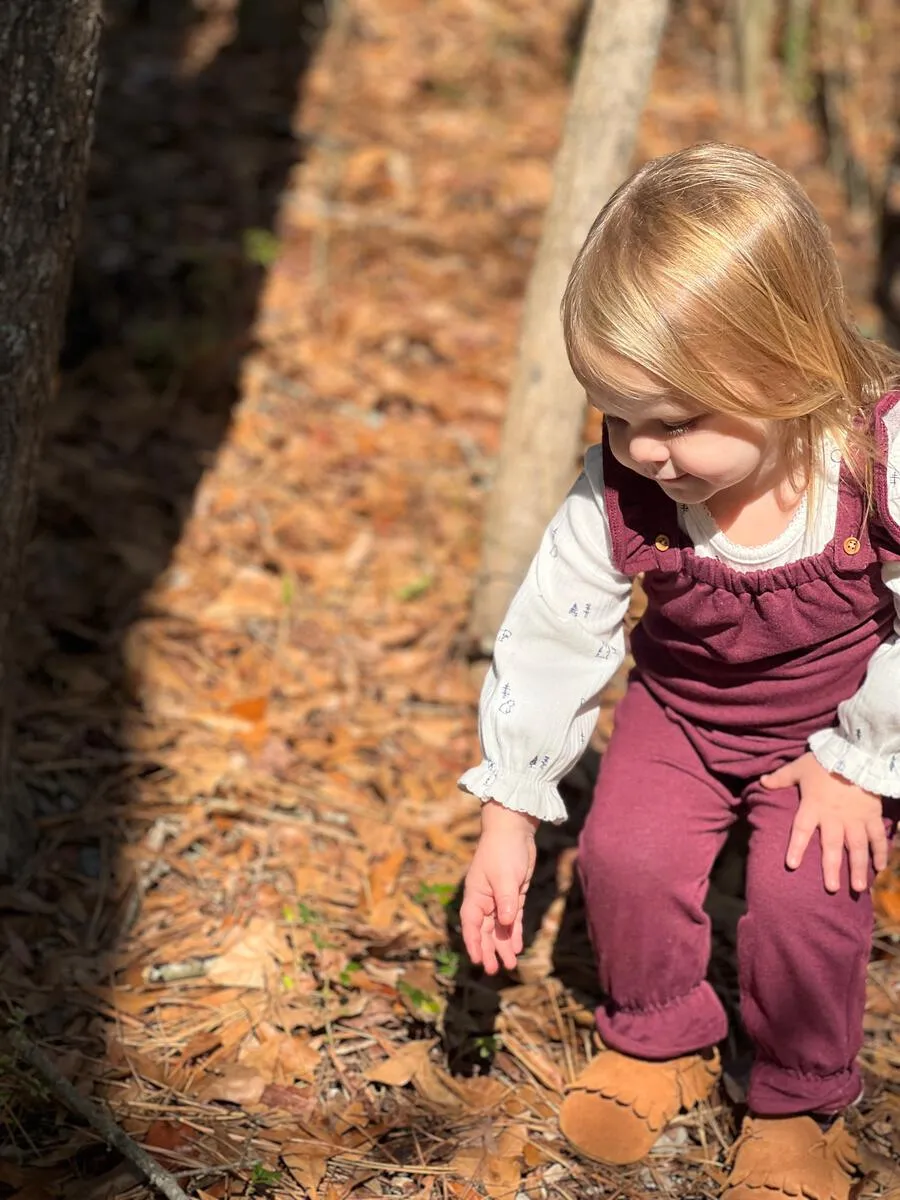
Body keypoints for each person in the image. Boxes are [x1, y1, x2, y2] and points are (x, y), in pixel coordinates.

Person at [458, 143, 900, 1199]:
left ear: (788, 363)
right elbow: (555, 631)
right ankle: (660, 1039)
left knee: (807, 896)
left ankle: (800, 1100)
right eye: (620, 415)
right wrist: (511, 810)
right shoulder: (622, 490)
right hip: (685, 710)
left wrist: (863, 760)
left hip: (837, 726)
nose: (645, 450)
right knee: (626, 853)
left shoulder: (872, 461)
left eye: (677, 419)